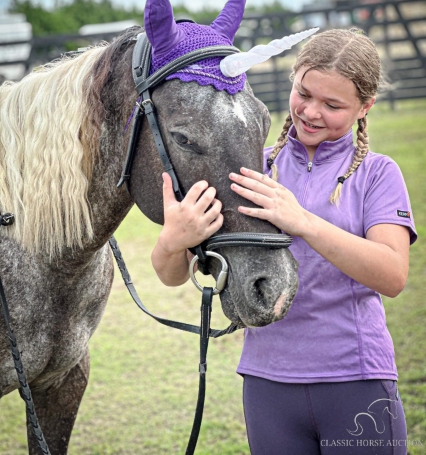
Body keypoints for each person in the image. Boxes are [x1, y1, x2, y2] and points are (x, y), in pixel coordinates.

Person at [151, 28, 417, 455]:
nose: (311, 112)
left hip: (356, 380)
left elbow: (393, 274)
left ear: (364, 107)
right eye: (304, 93)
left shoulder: (378, 175)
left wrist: (303, 221)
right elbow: (170, 275)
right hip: (267, 385)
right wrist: (173, 241)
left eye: (332, 105)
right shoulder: (251, 169)